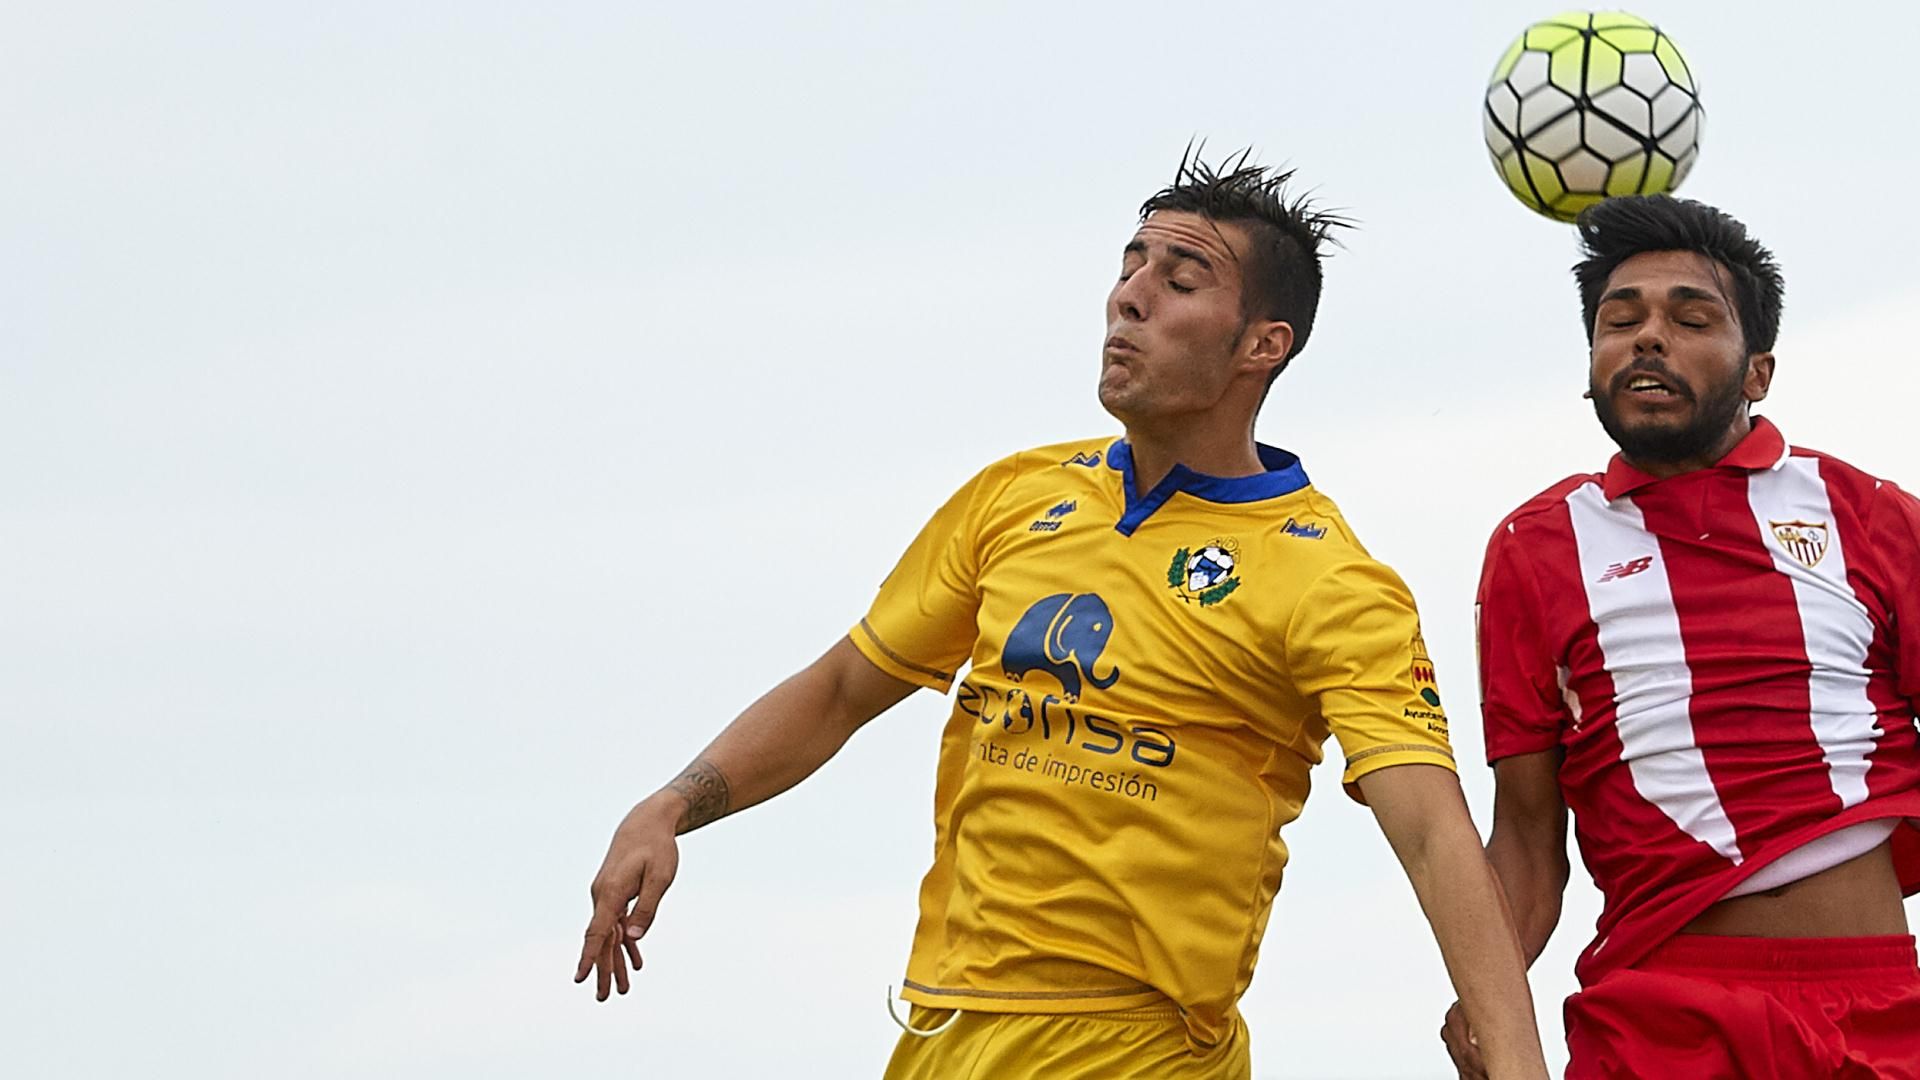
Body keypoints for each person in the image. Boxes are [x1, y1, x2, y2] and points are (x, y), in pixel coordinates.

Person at [578, 152, 1548, 1080]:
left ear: (1264, 344)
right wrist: (671, 805)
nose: (1130, 295)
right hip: (943, 1029)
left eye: (1182, 279)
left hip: (1138, 1047)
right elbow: (840, 690)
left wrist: (1518, 1063)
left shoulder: (1330, 580)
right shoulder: (1017, 496)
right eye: (1131, 265)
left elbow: (1432, 833)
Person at [1443, 195, 1920, 1078]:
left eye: (1689, 317)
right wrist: (1487, 992)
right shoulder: (1533, 547)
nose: (1646, 338)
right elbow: (1527, 836)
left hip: (1875, 1004)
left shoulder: (1871, 517)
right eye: (1618, 320)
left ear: (1757, 373)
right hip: (1657, 1012)